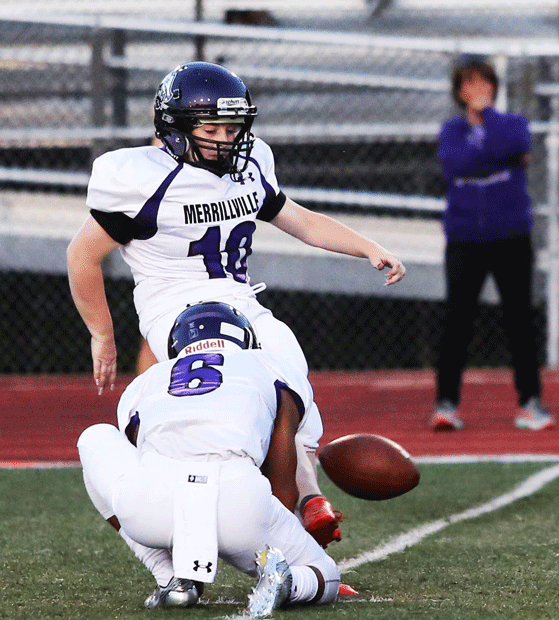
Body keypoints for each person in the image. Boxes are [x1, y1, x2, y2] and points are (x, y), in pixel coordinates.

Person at [67, 61, 407, 548]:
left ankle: (304, 506)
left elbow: (302, 220)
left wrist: (367, 246)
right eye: (213, 129)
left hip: (242, 301)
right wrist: (102, 333)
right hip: (180, 314)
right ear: (175, 129)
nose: (227, 140)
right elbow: (82, 256)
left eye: (233, 128)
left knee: (289, 384)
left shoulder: (249, 165)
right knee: (246, 406)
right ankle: (276, 533)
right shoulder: (141, 179)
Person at [77, 302, 340, 615]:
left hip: (151, 504)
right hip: (237, 499)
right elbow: (282, 474)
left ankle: (171, 578)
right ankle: (288, 582)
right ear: (245, 339)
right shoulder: (270, 365)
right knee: (326, 575)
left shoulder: (144, 383)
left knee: (93, 437)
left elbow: (138, 455)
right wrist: (273, 538)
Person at [430, 56, 553, 432]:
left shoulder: (511, 123)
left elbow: (516, 140)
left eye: (484, 83)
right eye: (469, 84)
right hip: (465, 236)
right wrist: (498, 156)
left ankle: (530, 401)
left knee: (519, 319)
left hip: (510, 235)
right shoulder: (451, 130)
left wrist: (493, 128)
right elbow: (455, 165)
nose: (478, 90)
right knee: (458, 320)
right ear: (459, 91)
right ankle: (446, 404)